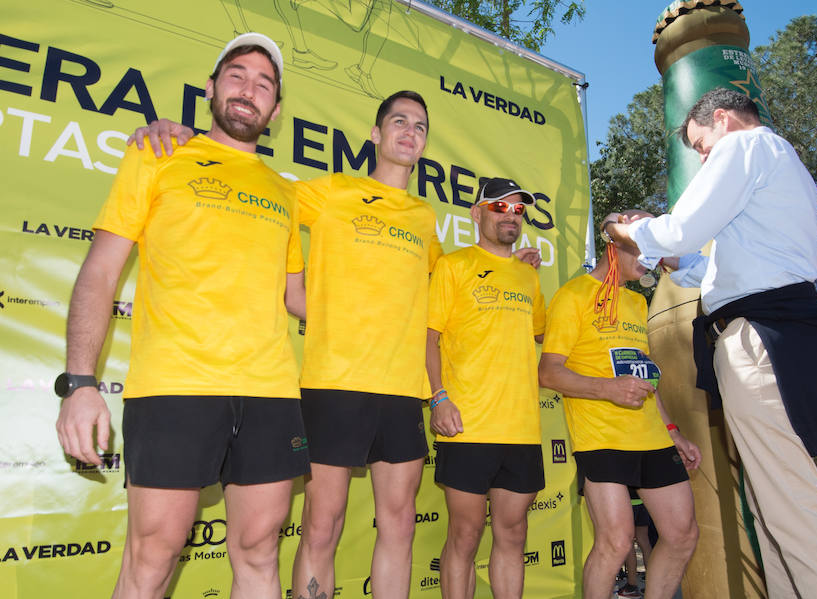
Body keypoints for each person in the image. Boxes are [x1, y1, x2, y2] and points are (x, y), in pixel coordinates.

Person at [130, 90, 541, 599]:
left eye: (419, 126)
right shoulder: (329, 191)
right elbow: (252, 181)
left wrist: (509, 264)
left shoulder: (424, 218)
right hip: (333, 384)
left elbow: (453, 279)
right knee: (321, 528)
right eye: (399, 122)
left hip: (402, 391)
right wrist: (194, 139)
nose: (410, 132)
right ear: (376, 134)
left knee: (400, 527)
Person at [55, 33, 309, 599]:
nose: (250, 91)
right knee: (153, 559)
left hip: (270, 391)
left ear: (275, 110)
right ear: (212, 87)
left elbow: (300, 296)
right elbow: (100, 271)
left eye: (264, 85)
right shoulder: (158, 152)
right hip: (174, 386)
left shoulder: (285, 193)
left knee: (260, 551)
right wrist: (79, 383)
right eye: (238, 76)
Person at [603, 87, 817, 598]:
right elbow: (720, 269)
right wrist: (674, 254)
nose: (703, 157)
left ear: (721, 119)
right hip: (782, 334)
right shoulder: (782, 168)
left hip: (760, 340)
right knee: (773, 505)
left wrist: (626, 229)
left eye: (701, 146)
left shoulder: (743, 148)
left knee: (790, 505)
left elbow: (680, 230)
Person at [538, 212, 701, 599]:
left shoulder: (635, 302)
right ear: (616, 244)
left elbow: (646, 378)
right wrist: (606, 389)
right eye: (644, 250)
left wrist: (672, 431)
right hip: (602, 438)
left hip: (651, 437)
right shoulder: (572, 295)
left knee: (682, 535)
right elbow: (548, 373)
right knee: (616, 540)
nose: (649, 261)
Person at [426, 178, 546, 599]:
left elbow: (538, 336)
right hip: (468, 426)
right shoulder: (453, 265)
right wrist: (438, 398)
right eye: (500, 207)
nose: (510, 216)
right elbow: (428, 339)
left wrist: (524, 267)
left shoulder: (529, 277)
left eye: (518, 210)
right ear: (477, 214)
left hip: (522, 430)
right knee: (465, 536)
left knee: (513, 536)